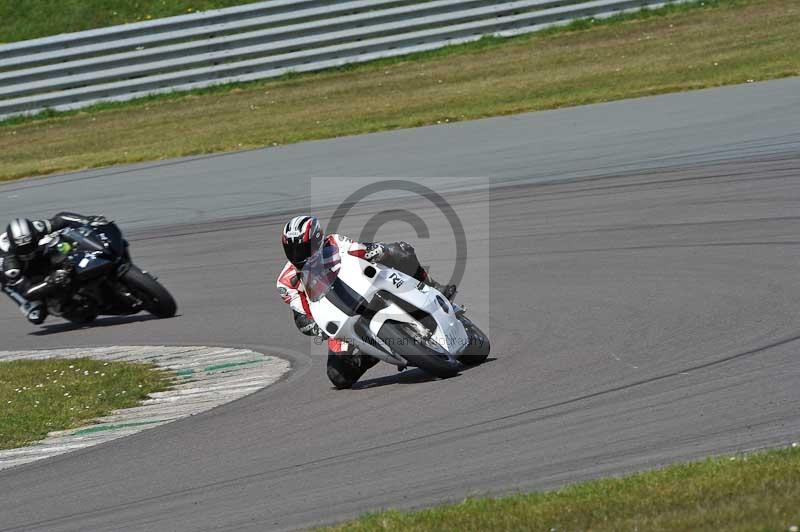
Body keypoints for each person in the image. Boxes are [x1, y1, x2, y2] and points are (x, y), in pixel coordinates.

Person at [277, 215, 456, 389]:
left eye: (303, 248)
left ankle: (430, 286)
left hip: (363, 289)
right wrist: (311, 325)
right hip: (338, 315)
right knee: (338, 376)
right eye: (292, 250)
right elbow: (299, 313)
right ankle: (372, 351)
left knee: (400, 250)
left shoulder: (334, 242)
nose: (298, 255)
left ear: (317, 239)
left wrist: (377, 249)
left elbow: (359, 250)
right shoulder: (285, 281)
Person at [0, 212, 107, 325]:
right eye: (22, 250)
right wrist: (51, 281)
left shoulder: (37, 228)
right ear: (13, 247)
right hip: (12, 278)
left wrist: (88, 220)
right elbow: (27, 292)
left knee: (60, 246)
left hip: (39, 252)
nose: (28, 252)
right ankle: (42, 304)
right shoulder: (9, 264)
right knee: (37, 315)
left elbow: (62, 218)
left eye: (30, 246)